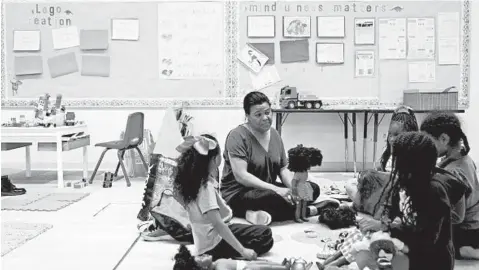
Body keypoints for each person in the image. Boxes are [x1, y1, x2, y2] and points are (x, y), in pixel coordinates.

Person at [220, 91, 338, 224]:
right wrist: (277, 190)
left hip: (266, 188)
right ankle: (311, 210)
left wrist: (293, 190)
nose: (265, 118)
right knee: (272, 197)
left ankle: (255, 213)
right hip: (238, 193)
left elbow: (283, 168)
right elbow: (242, 176)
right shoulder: (237, 136)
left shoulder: (274, 134)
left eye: (267, 112)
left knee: (312, 189)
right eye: (258, 115)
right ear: (247, 116)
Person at [362, 131, 468, 270]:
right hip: (411, 250)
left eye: (398, 160)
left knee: (369, 258)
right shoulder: (405, 179)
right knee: (363, 252)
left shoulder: (434, 191)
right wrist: (385, 221)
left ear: (412, 163)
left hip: (432, 262)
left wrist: (390, 229)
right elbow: (391, 205)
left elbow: (427, 239)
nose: (395, 165)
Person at [173, 134, 273, 261]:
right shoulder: (205, 187)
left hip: (204, 239)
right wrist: (243, 251)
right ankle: (230, 253)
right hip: (213, 243)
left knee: (251, 228)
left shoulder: (190, 182)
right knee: (265, 235)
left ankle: (246, 216)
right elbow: (218, 224)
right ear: (215, 159)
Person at [420, 112, 479, 259]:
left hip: (468, 230)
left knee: (425, 241)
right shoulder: (461, 157)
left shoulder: (455, 171)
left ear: (444, 139)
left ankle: (466, 250)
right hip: (474, 224)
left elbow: (458, 217)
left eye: (429, 141)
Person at [173, 244, 287, 270]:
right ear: (203, 268)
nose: (204, 254)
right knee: (266, 268)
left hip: (246, 265)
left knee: (267, 263)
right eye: (202, 258)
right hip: (247, 269)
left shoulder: (217, 262)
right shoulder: (219, 268)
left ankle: (282, 266)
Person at [378, 106, 419, 172]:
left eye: (397, 135)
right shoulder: (387, 154)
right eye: (390, 134)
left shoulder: (416, 157)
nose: (391, 139)